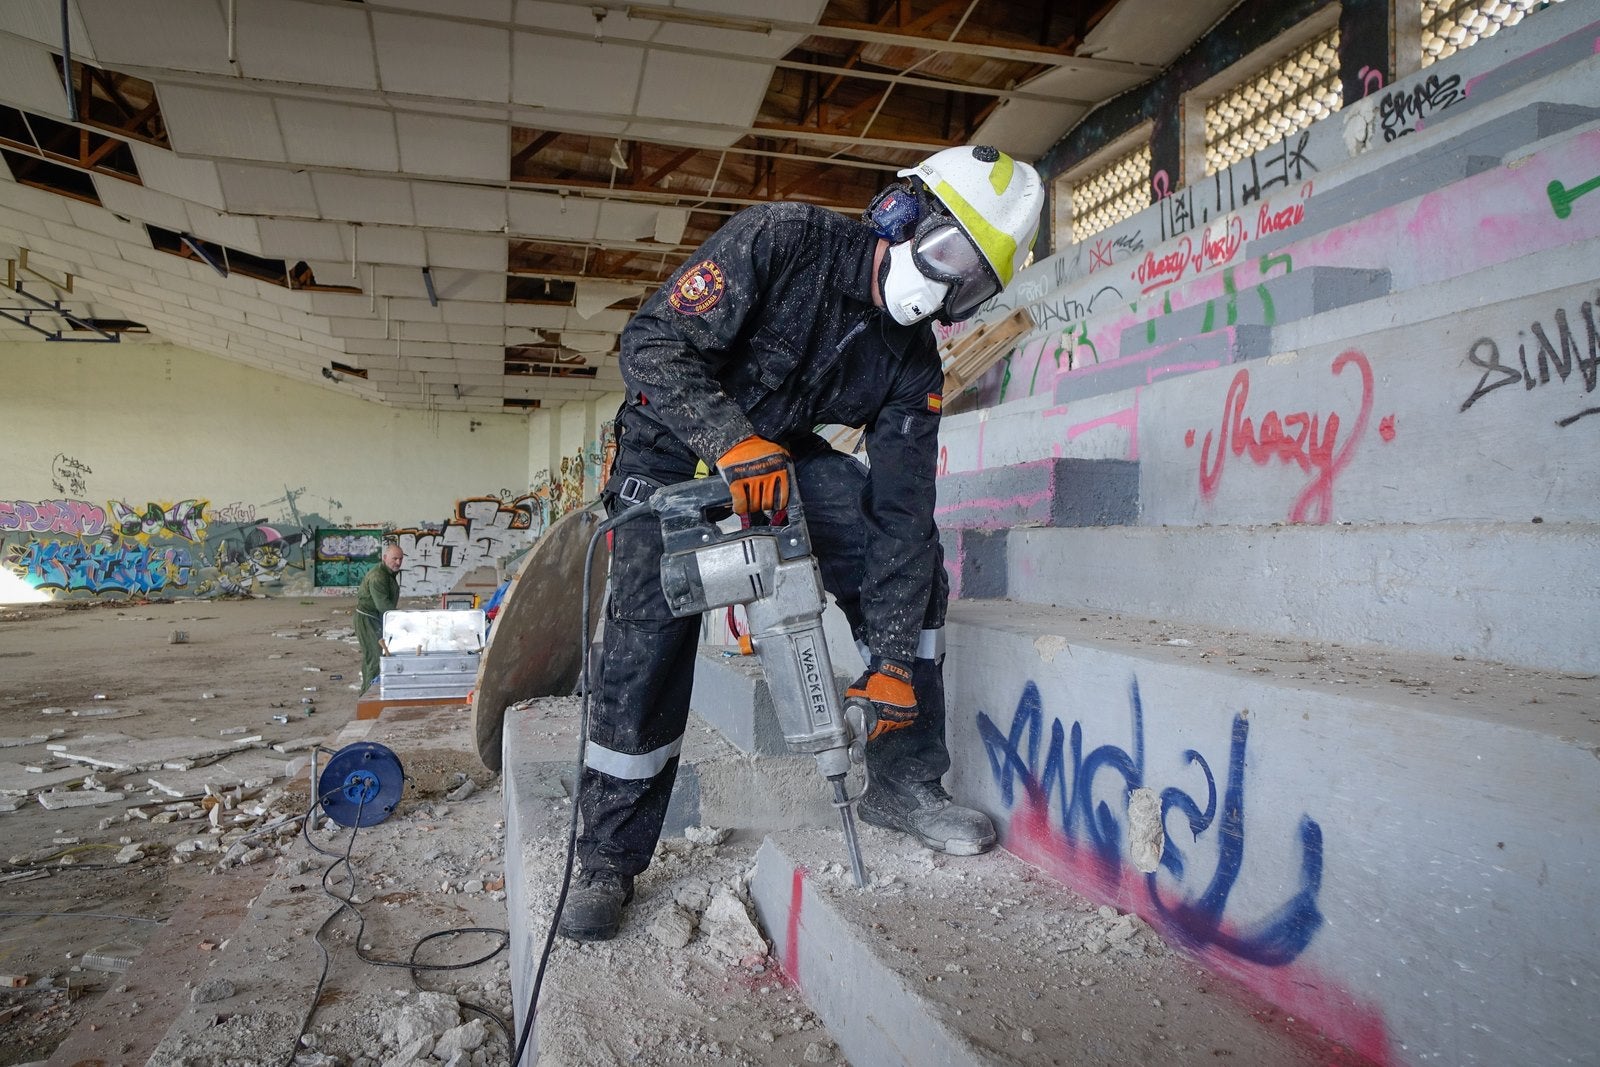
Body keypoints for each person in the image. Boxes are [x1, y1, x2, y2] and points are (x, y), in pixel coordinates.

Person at [562, 146, 1044, 941]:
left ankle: (904, 780)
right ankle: (606, 856)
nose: (944, 290)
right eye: (949, 257)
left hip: (777, 455)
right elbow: (650, 346)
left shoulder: (912, 366)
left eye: (971, 285)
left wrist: (893, 661)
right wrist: (727, 441)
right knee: (649, 631)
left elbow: (902, 513)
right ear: (901, 214)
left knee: (912, 567)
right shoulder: (783, 239)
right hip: (670, 445)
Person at [355, 543, 404, 695]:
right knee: (376, 659)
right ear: (385, 558)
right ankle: (369, 697)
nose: (398, 562)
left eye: (400, 559)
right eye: (394, 558)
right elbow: (384, 606)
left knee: (372, 657)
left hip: (376, 618)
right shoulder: (378, 577)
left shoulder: (388, 574)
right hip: (368, 620)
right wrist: (404, 620)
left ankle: (367, 693)